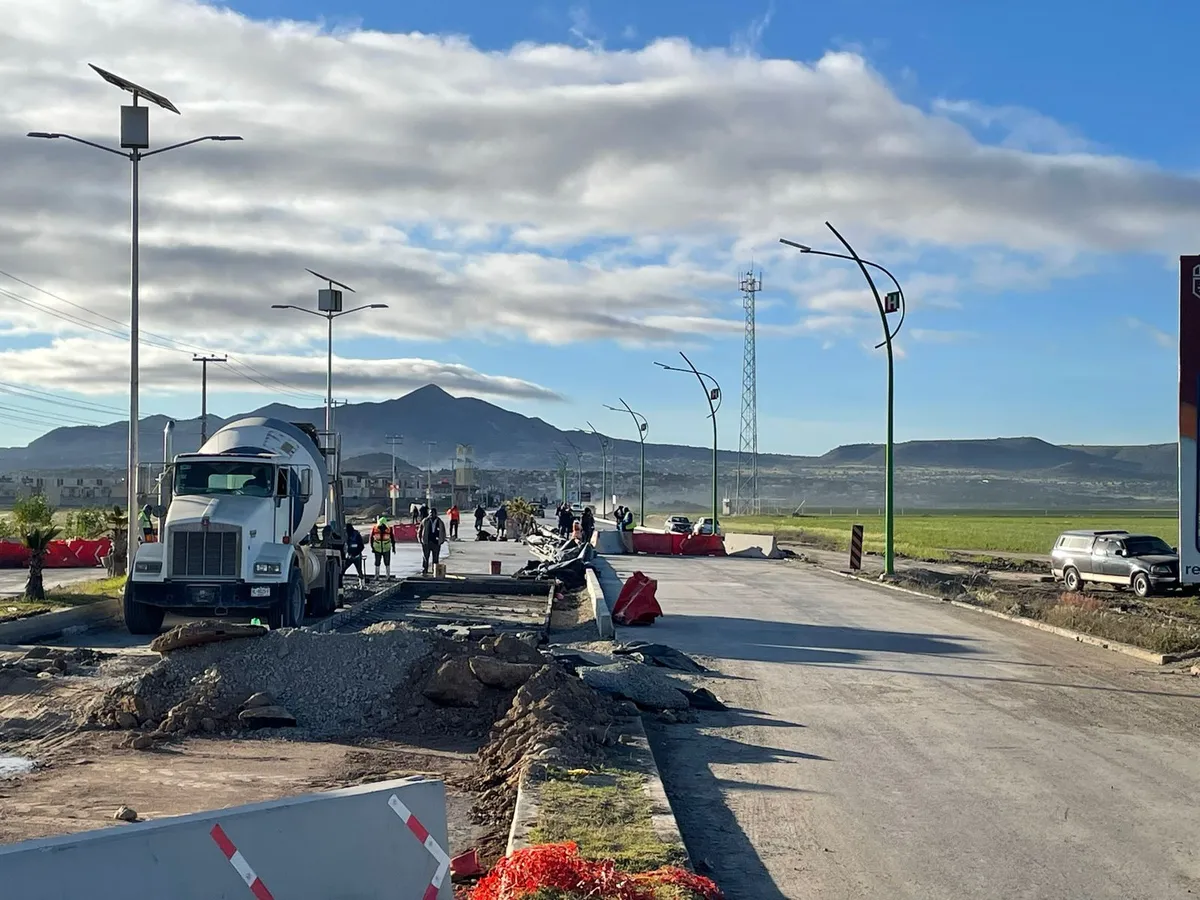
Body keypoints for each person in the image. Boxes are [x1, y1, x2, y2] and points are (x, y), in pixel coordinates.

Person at [420, 506, 447, 575]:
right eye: (430, 513)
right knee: (425, 557)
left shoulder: (440, 522)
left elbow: (443, 532)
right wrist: (420, 540)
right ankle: (424, 569)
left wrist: (442, 540)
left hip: (436, 542)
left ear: (436, 513)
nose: (431, 514)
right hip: (427, 542)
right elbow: (420, 530)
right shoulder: (425, 521)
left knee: (435, 558)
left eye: (433, 513)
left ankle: (434, 570)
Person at [343, 522, 366, 588]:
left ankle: (362, 584)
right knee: (358, 571)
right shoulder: (353, 534)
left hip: (355, 556)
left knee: (359, 571)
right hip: (352, 556)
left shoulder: (354, 535)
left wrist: (354, 554)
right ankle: (362, 584)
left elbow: (361, 546)